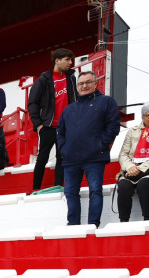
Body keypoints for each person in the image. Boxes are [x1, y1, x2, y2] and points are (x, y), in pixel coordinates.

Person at [57, 72, 120, 227]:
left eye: (88, 82)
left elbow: (113, 126)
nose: (84, 86)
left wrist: (101, 145)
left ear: (96, 83)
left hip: (95, 156)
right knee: (70, 193)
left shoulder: (107, 101)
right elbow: (60, 132)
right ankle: (73, 224)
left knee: (95, 191)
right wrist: (63, 149)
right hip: (71, 158)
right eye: (81, 83)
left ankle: (93, 224)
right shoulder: (69, 109)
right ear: (77, 86)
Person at [28, 48, 77, 192]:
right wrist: (38, 124)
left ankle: (57, 187)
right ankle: (35, 188)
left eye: (71, 60)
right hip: (48, 126)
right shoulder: (44, 79)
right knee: (42, 158)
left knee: (62, 158)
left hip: (65, 127)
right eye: (67, 59)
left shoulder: (71, 78)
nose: (70, 63)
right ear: (57, 60)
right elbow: (33, 102)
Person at [116, 101, 149, 222]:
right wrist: (130, 167)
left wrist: (140, 169)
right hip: (131, 170)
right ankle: (123, 222)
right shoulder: (133, 131)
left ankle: (147, 219)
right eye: (148, 115)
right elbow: (123, 153)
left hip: (146, 171)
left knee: (144, 184)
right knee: (124, 186)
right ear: (142, 117)